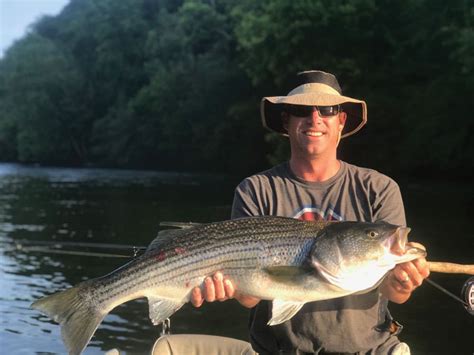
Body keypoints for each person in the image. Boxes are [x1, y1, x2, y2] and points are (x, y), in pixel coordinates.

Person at [191, 70, 430, 354]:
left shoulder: (379, 188)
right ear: (286, 121)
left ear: (340, 121)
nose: (315, 118)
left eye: (327, 110)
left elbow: (394, 293)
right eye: (302, 109)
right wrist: (229, 286)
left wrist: (404, 283)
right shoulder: (256, 189)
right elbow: (249, 299)